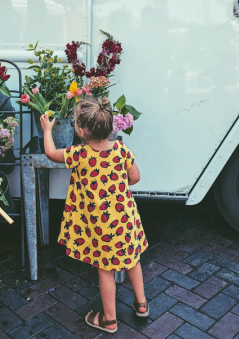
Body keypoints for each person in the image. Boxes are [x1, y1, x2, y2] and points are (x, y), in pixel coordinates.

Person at [40, 97, 148, 334]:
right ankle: (141, 305)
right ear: (111, 127)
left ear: (80, 130)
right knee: (133, 259)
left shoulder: (79, 154)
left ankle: (109, 320)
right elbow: (135, 177)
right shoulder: (121, 150)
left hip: (100, 226)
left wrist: (47, 129)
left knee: (105, 269)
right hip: (125, 220)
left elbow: (50, 153)